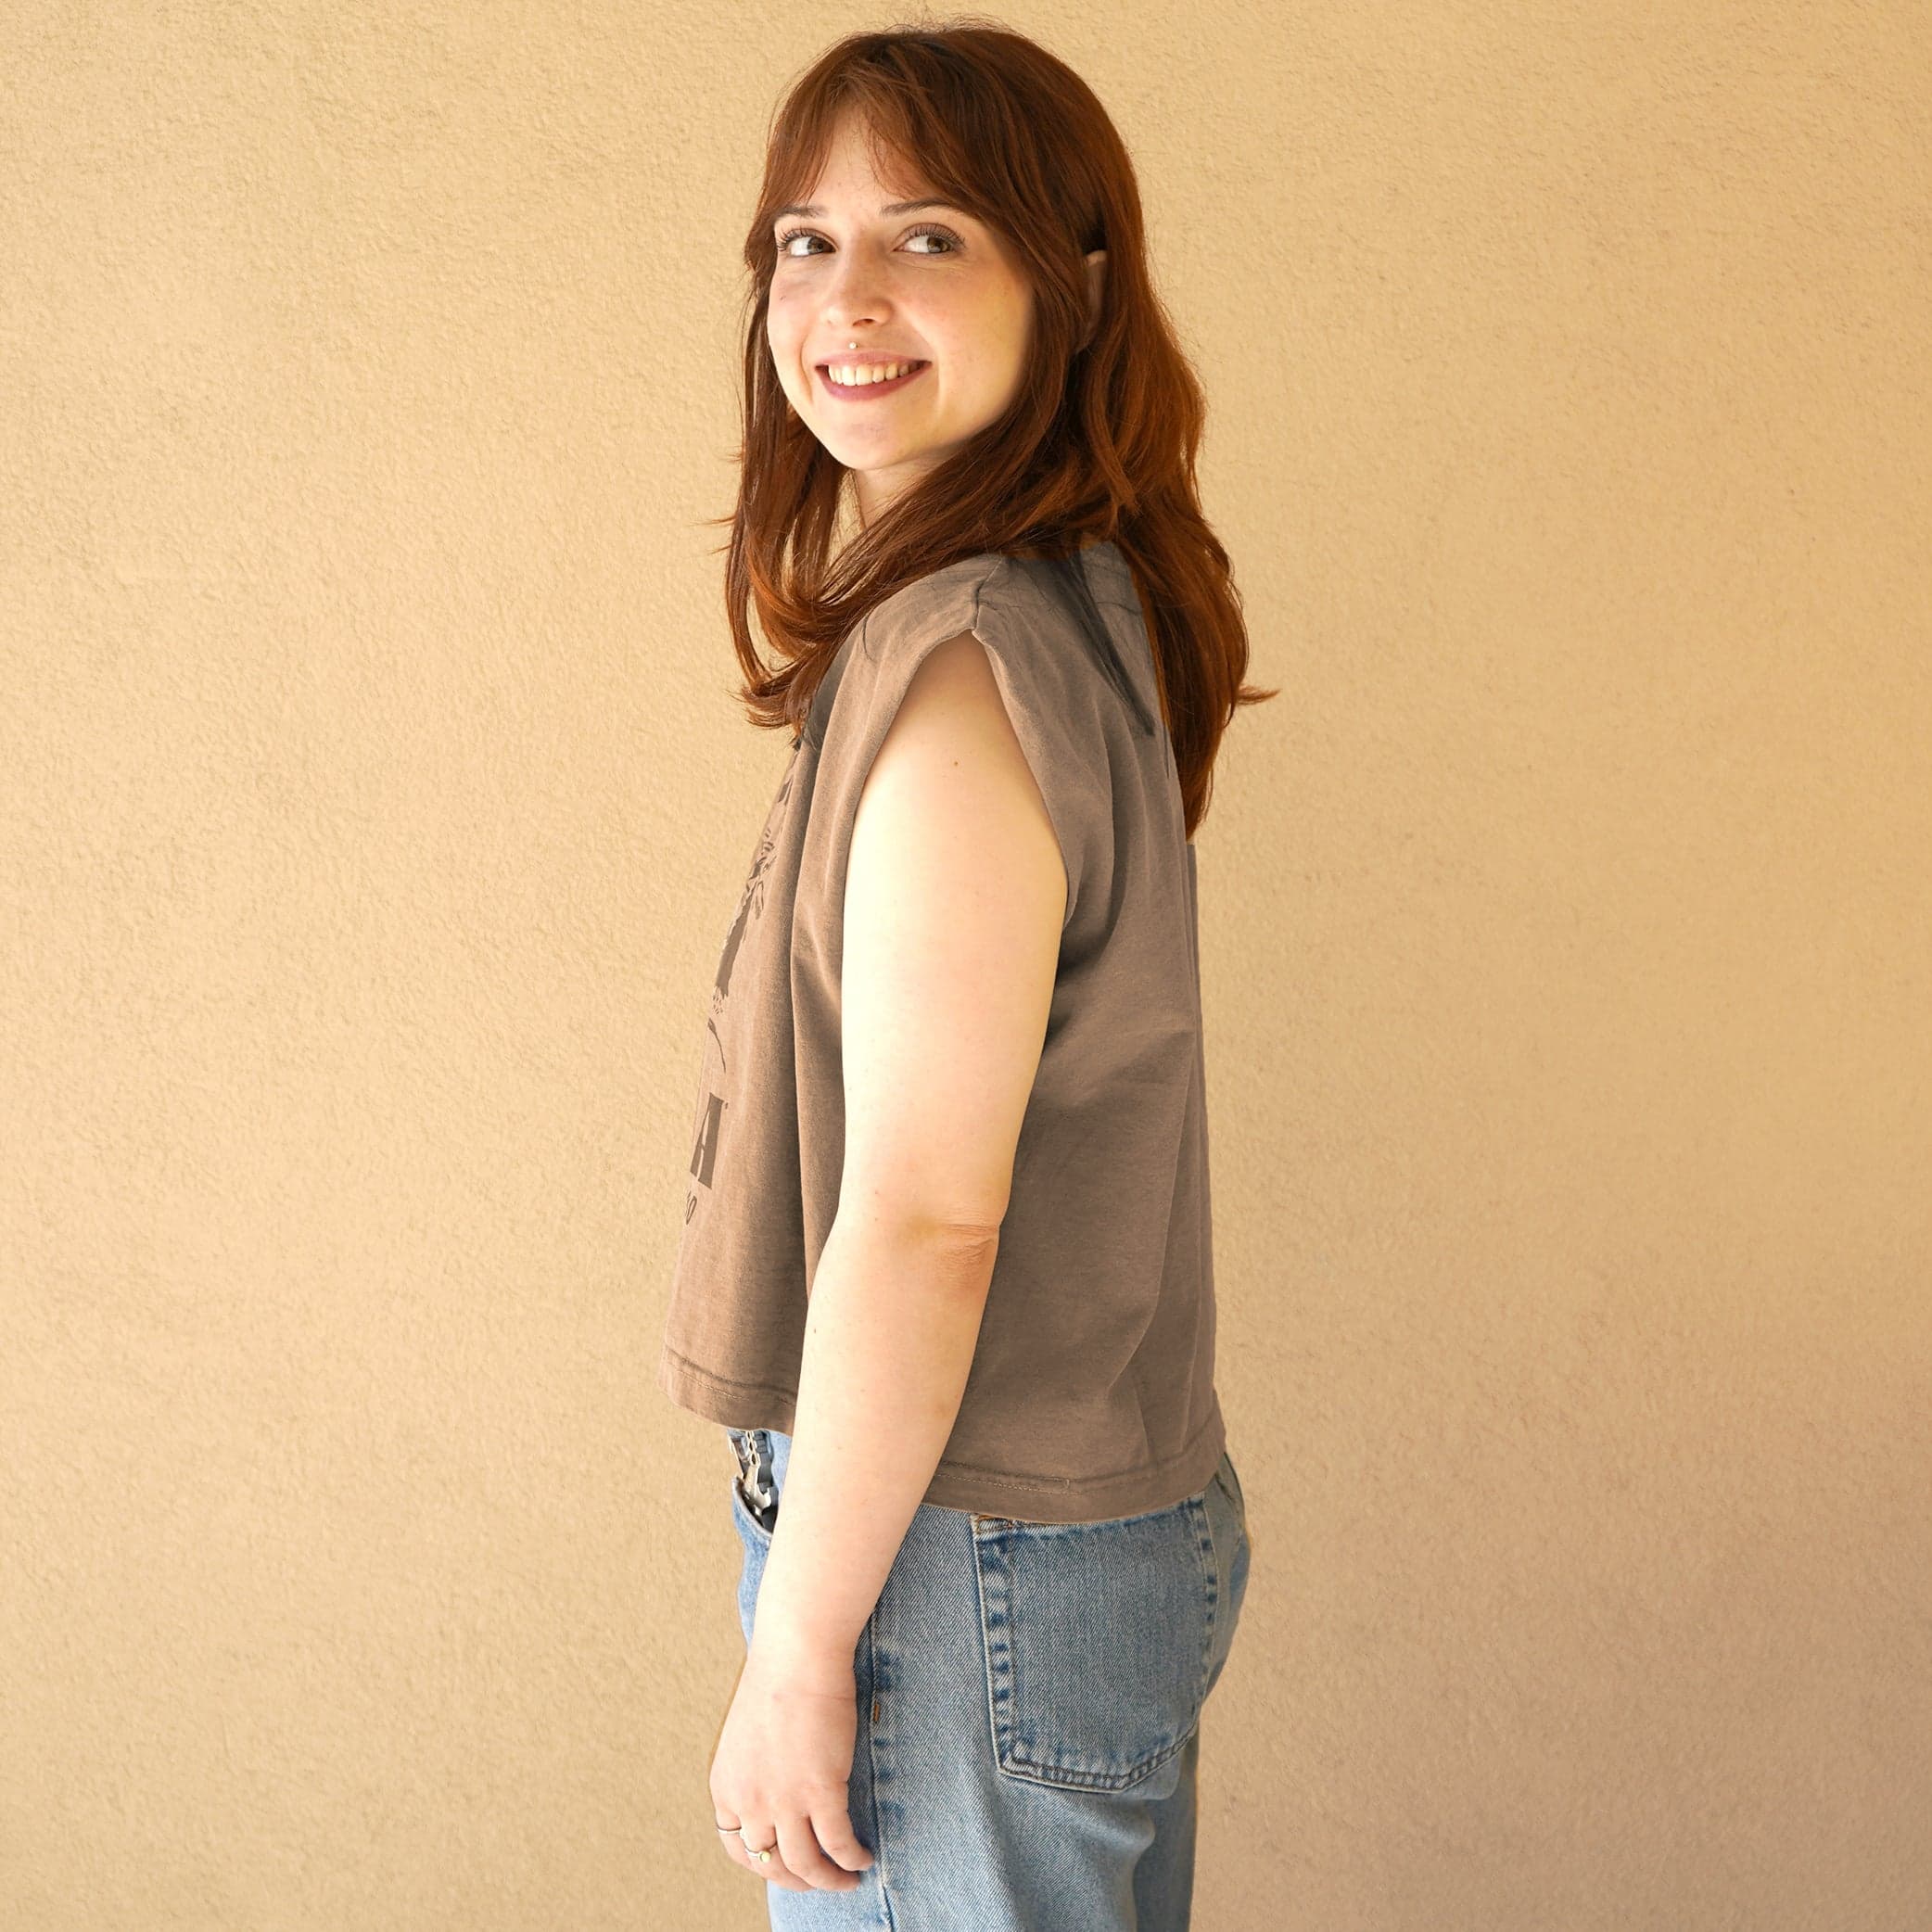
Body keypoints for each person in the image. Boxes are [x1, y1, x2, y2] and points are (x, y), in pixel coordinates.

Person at [656, 22, 1277, 1928]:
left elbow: (925, 1214)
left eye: (927, 237)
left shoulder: (959, 683)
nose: (842, 297)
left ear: (1068, 288)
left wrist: (803, 1651)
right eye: (801, 239)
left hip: (955, 1564)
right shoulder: (1071, 590)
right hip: (1031, 1545)